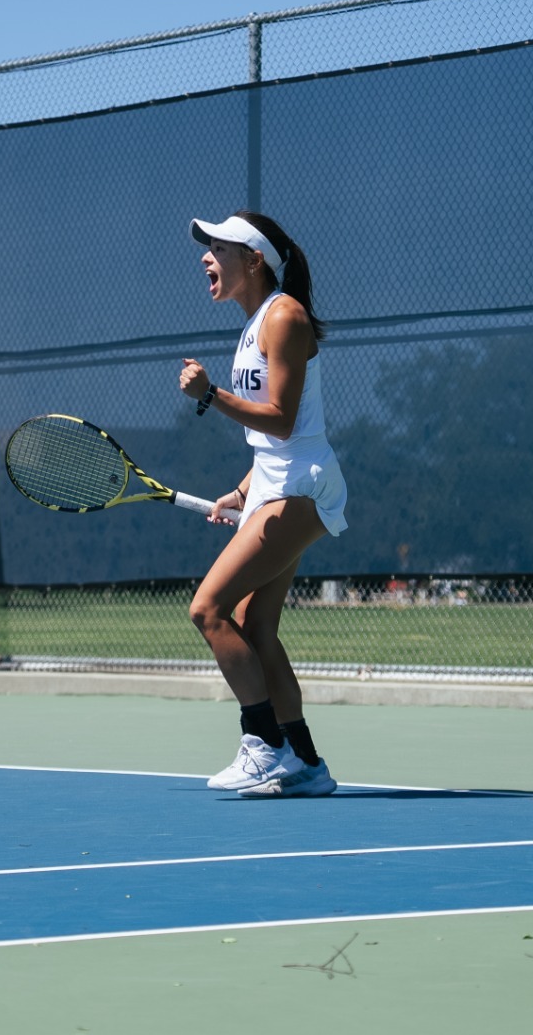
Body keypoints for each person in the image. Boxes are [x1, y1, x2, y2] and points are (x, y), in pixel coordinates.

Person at [178, 211, 347, 798]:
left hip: (302, 487)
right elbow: (275, 439)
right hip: (275, 484)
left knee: (208, 609)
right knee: (255, 625)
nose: (206, 256)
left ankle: (264, 745)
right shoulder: (255, 323)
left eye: (217, 247)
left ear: (253, 260)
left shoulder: (285, 318)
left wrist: (210, 397)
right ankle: (305, 761)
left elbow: (281, 421)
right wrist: (241, 492)